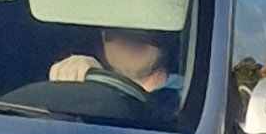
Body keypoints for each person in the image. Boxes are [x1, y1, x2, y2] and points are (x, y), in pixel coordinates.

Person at [50, 28, 184, 93]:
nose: (129, 38)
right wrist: (81, 75)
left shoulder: (190, 97)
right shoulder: (88, 92)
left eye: (145, 30)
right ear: (103, 37)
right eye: (116, 30)